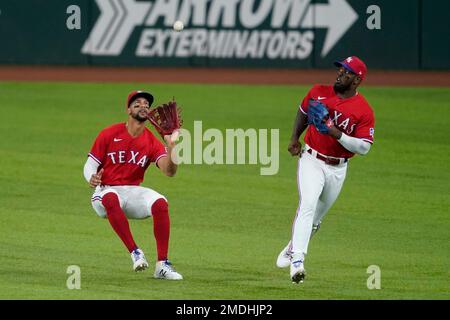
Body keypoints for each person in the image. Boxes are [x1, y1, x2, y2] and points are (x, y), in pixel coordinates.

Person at [277, 56, 375, 283]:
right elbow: (303, 111)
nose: (341, 74)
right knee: (308, 205)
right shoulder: (318, 91)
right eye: (341, 69)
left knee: (316, 219)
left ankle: (293, 246)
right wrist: (294, 138)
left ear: (357, 81)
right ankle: (298, 262)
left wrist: (335, 132)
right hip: (311, 159)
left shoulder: (364, 111)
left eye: (347, 72)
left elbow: (364, 147)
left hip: (338, 169)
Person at [83, 90, 183, 280]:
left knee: (161, 203)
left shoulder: (152, 141)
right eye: (137, 103)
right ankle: (135, 252)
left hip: (132, 191)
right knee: (111, 198)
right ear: (128, 110)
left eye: (146, 104)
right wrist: (92, 177)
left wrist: (172, 146)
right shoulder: (109, 133)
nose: (143, 106)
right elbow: (90, 164)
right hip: (105, 190)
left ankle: (162, 265)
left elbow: (169, 171)